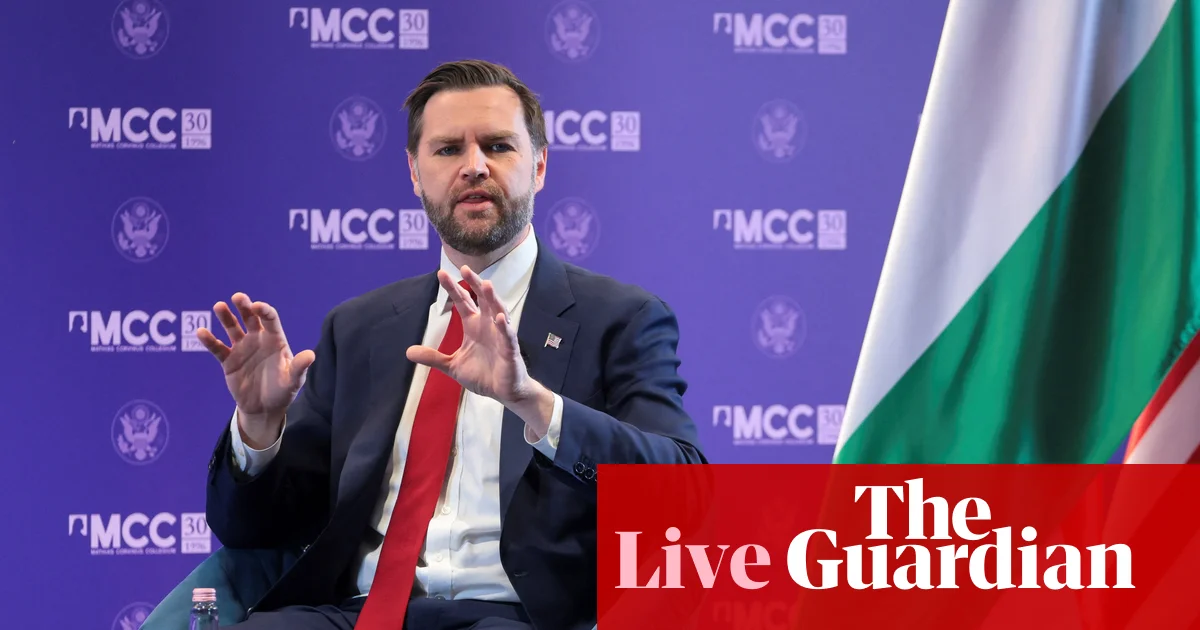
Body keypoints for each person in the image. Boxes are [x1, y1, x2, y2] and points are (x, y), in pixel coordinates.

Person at [196, 59, 707, 630]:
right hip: (360, 615)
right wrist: (259, 428)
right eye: (447, 150)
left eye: (498, 146)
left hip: (517, 617)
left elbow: (683, 493)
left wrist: (533, 403)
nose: (474, 166)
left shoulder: (621, 318)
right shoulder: (359, 327)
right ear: (414, 173)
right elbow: (254, 531)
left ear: (539, 166)